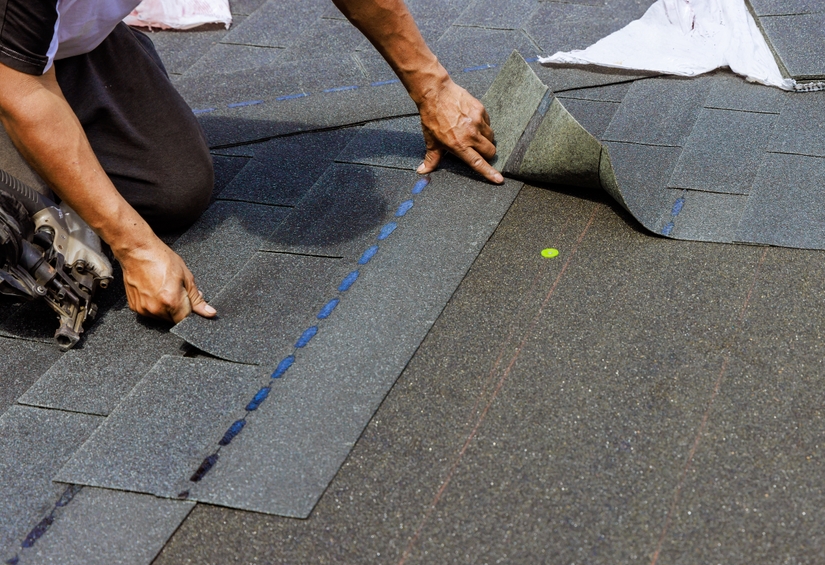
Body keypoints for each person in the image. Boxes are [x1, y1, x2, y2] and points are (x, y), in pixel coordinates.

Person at [0, 0, 503, 324]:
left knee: (172, 189)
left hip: (60, 40)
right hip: (15, 66)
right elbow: (21, 88)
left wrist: (431, 85)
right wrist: (133, 247)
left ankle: (49, 54)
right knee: (33, 231)